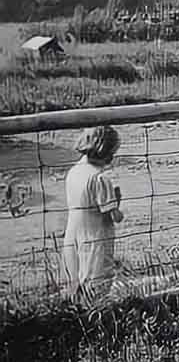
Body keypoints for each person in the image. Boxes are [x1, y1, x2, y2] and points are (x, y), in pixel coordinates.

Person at [63, 125, 124, 298]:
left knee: (75, 280)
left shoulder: (74, 172)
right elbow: (114, 216)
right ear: (105, 151)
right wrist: (116, 202)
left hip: (73, 234)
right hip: (95, 237)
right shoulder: (99, 178)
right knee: (98, 283)